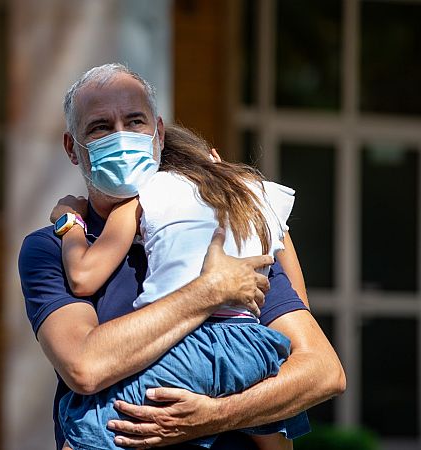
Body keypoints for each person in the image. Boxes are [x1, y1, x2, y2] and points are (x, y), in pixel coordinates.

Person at [18, 63, 345, 449]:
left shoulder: (225, 235)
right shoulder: (49, 249)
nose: (121, 137)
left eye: (134, 121)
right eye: (100, 127)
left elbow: (321, 371)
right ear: (73, 148)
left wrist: (210, 417)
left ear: (158, 133)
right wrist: (209, 291)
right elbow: (84, 366)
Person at [53, 123, 308, 450]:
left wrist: (71, 222)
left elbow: (83, 275)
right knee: (277, 432)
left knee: (84, 431)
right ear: (213, 156)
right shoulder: (255, 194)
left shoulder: (146, 192)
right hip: (255, 347)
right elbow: (300, 304)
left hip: (188, 344)